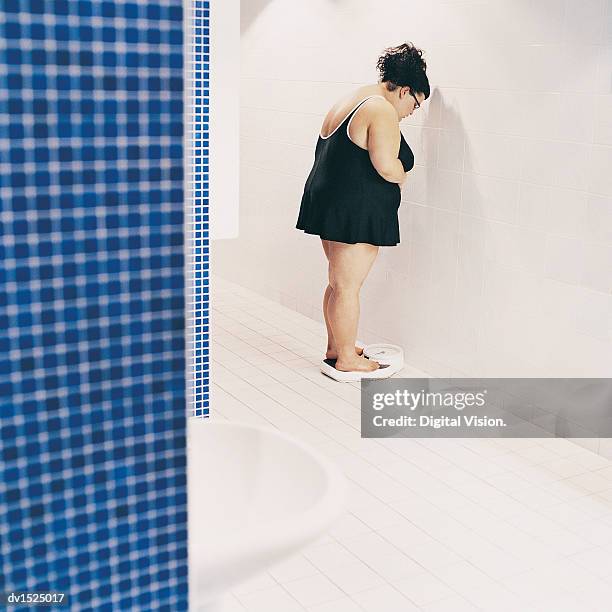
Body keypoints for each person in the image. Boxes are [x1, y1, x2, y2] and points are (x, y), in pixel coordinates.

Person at [296, 42, 430, 375]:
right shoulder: (381, 109)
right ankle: (346, 358)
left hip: (330, 202)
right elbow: (386, 165)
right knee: (348, 287)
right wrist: (402, 176)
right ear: (404, 90)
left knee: (337, 283)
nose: (412, 112)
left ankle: (336, 345)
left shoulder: (353, 98)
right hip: (353, 209)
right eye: (415, 104)